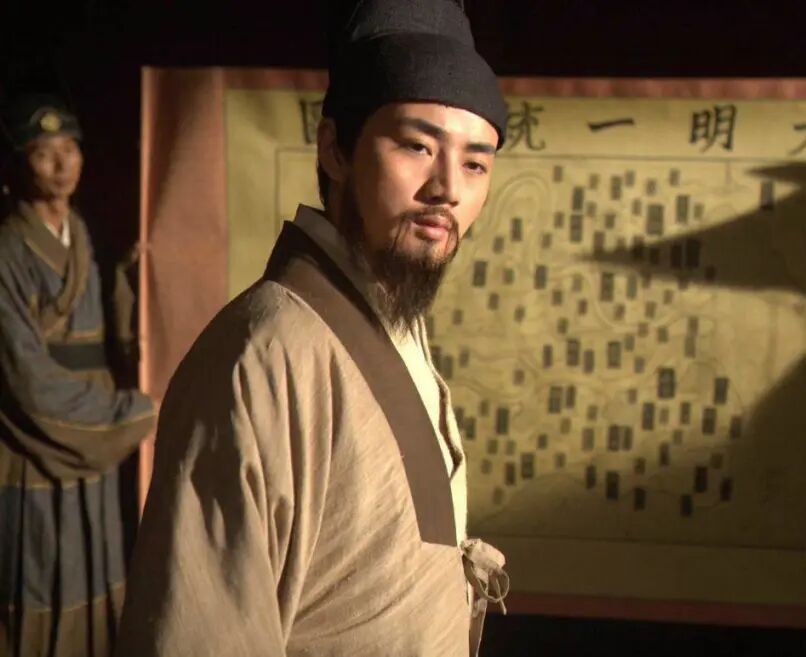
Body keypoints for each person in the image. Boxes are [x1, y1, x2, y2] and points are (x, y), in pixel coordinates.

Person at [116, 1, 510, 655]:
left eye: (475, 163)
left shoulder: (396, 325)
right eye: (416, 145)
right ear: (335, 149)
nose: (447, 187)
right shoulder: (262, 355)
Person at [0, 95, 157, 657]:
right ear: (19, 163)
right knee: (42, 576)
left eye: (71, 149)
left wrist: (134, 280)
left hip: (94, 437)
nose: (63, 163)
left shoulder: (83, 235)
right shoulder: (8, 249)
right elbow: (24, 378)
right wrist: (125, 415)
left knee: (98, 570)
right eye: (45, 153)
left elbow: (114, 333)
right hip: (43, 441)